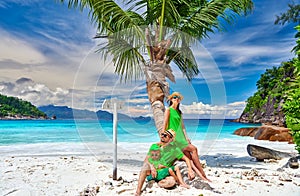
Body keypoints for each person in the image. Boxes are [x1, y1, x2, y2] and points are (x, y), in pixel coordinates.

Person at [162, 92, 211, 182]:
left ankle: (200, 176)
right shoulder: (168, 110)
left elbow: (183, 127)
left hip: (181, 137)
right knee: (194, 149)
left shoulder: (179, 112)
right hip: (174, 138)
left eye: (178, 98)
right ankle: (203, 174)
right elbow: (164, 125)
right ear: (171, 99)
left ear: (180, 100)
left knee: (188, 156)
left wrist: (187, 138)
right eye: (174, 97)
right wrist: (163, 139)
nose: (176, 99)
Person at [135, 129, 194, 196]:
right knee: (145, 167)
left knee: (171, 182)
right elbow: (146, 160)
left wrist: (190, 170)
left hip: (163, 173)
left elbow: (186, 159)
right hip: (152, 171)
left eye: (165, 135)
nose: (162, 136)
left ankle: (158, 182)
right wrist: (152, 167)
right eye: (162, 134)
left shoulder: (174, 149)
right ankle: (138, 192)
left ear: (171, 139)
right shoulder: (155, 146)